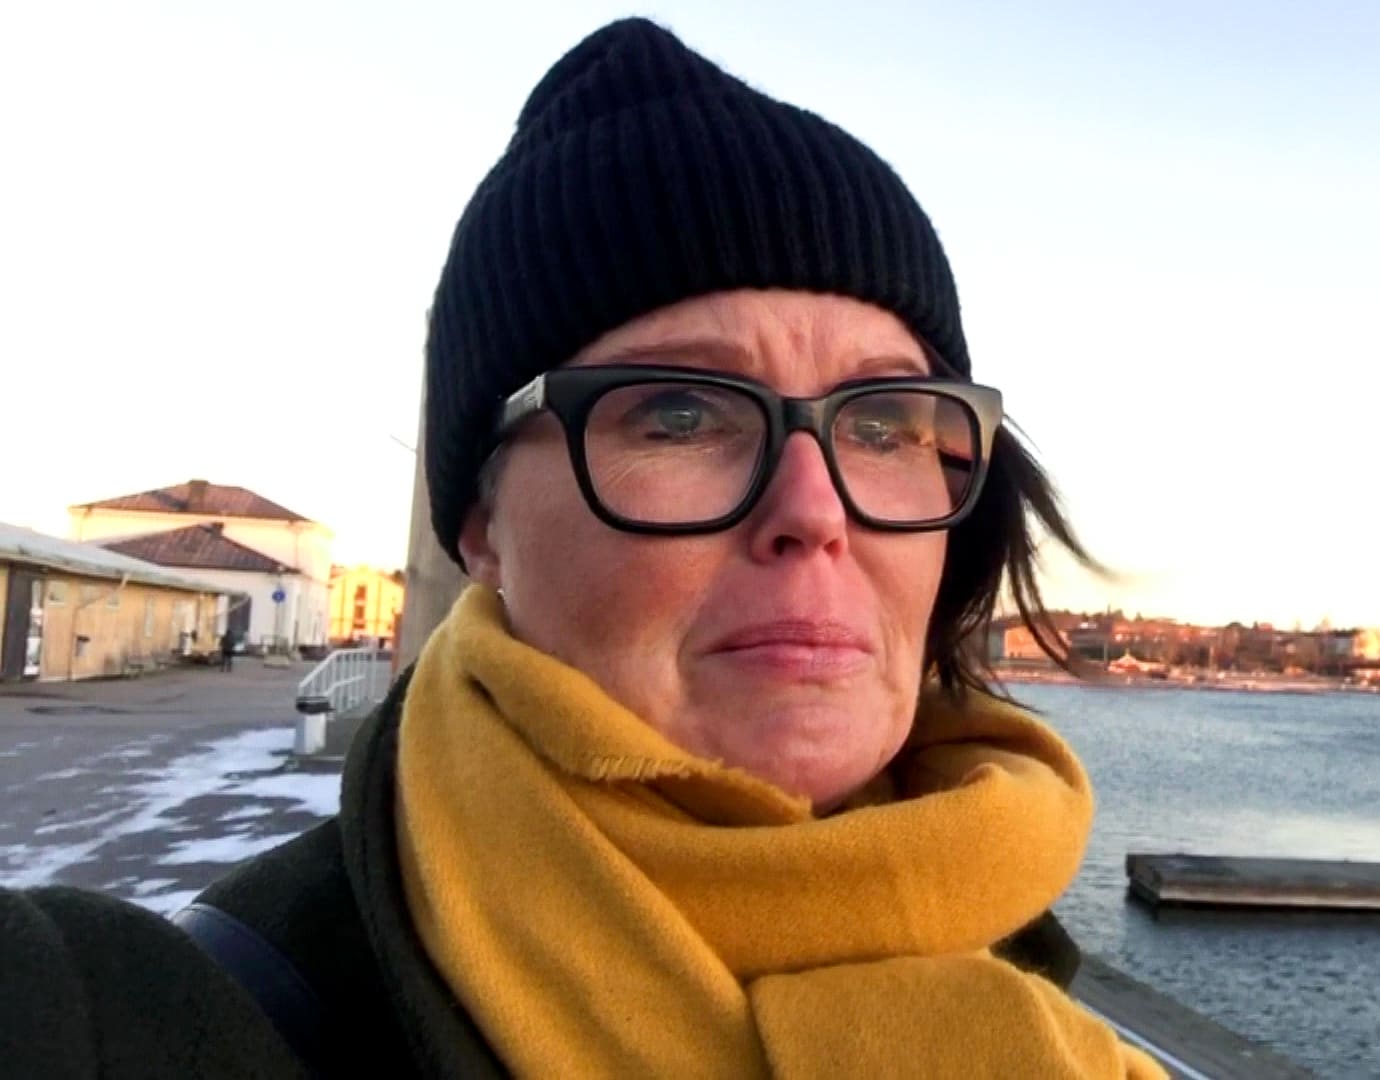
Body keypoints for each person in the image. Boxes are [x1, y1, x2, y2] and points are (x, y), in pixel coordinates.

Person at [0, 18, 1154, 1078]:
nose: (818, 510)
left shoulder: (1019, 957)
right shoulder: (116, 1017)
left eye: (885, 422)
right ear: (482, 528)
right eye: (680, 414)